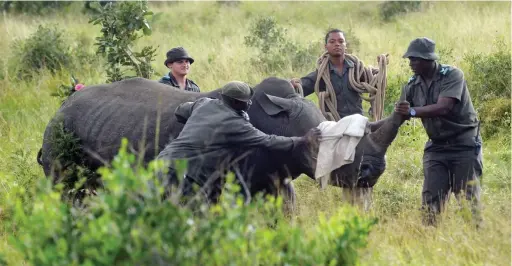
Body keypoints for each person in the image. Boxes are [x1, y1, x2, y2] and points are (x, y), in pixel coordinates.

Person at [157, 81, 321, 203]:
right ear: (237, 103)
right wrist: (302, 140)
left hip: (161, 164)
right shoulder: (236, 124)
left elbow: (180, 111)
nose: (250, 102)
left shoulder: (203, 103)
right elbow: (268, 141)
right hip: (187, 176)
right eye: (246, 100)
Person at [394, 37, 483, 227]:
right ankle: (429, 243)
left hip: (464, 145)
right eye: (410, 59)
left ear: (429, 60)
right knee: (430, 205)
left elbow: (444, 107)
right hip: (437, 147)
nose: (411, 63)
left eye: (415, 59)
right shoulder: (411, 84)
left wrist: (411, 111)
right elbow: (398, 116)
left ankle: (476, 245)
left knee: (468, 203)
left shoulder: (452, 75)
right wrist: (368, 129)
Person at [291, 29, 385, 120]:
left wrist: (382, 65)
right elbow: (302, 86)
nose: (337, 44)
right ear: (326, 46)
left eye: (341, 41)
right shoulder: (322, 74)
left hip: (358, 121)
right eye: (332, 42)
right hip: (334, 124)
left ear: (345, 46)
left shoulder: (357, 70)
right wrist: (294, 84)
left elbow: (375, 80)